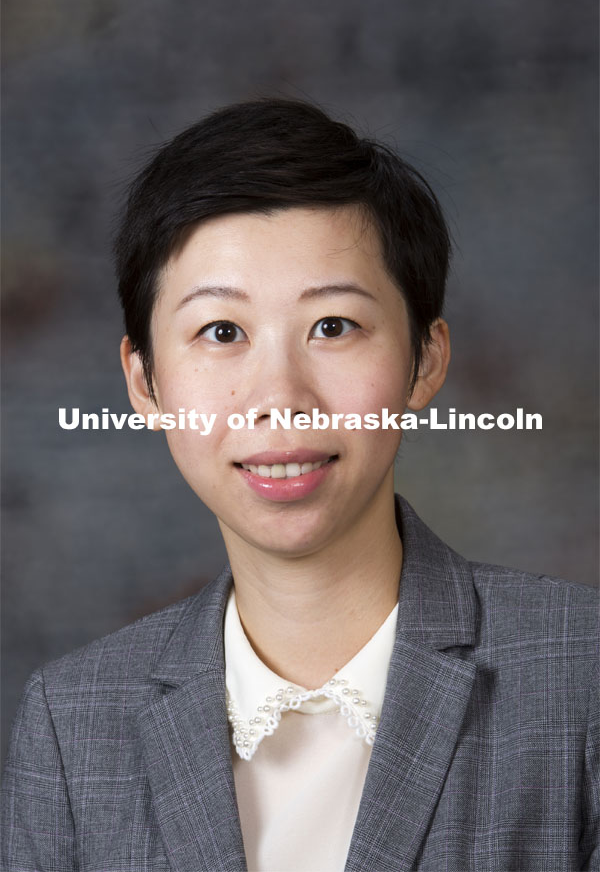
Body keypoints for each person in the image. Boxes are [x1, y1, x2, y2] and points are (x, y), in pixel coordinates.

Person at [1, 98, 598, 872]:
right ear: (144, 383)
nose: (280, 395)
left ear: (425, 361)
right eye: (222, 333)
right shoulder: (72, 723)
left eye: (333, 327)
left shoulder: (580, 673)